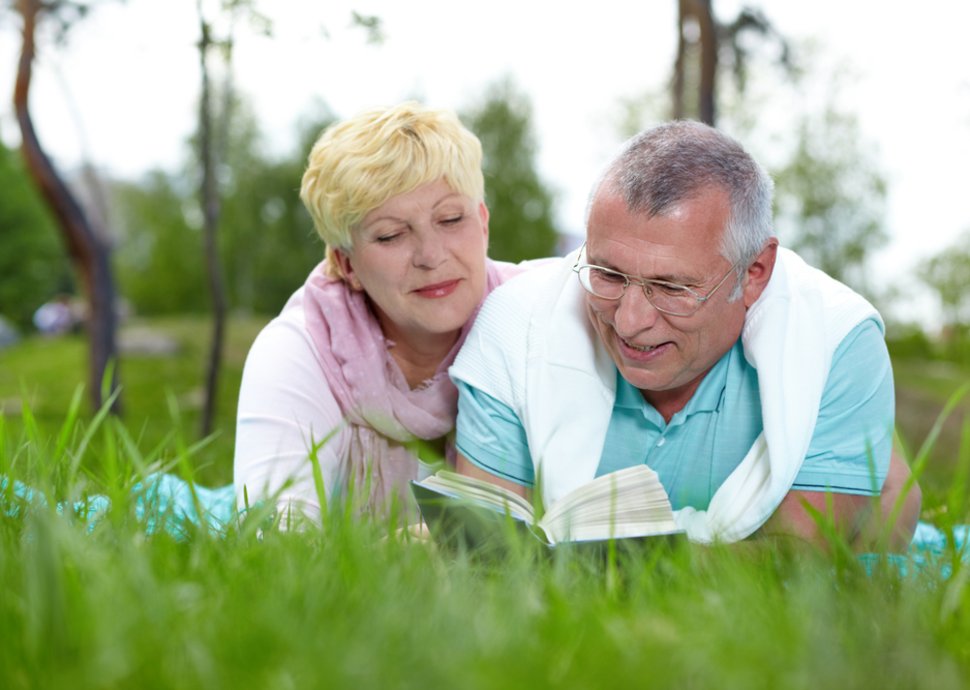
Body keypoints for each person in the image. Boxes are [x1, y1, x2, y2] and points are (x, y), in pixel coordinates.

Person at [450, 120, 922, 551]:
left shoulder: (836, 341)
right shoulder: (517, 325)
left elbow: (797, 565)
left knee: (891, 514)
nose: (630, 321)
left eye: (671, 287)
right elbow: (488, 553)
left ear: (754, 271)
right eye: (608, 274)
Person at [232, 102, 529, 526]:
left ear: (482, 224)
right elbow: (274, 538)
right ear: (346, 264)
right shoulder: (302, 347)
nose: (431, 255)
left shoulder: (533, 316)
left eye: (450, 218)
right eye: (391, 235)